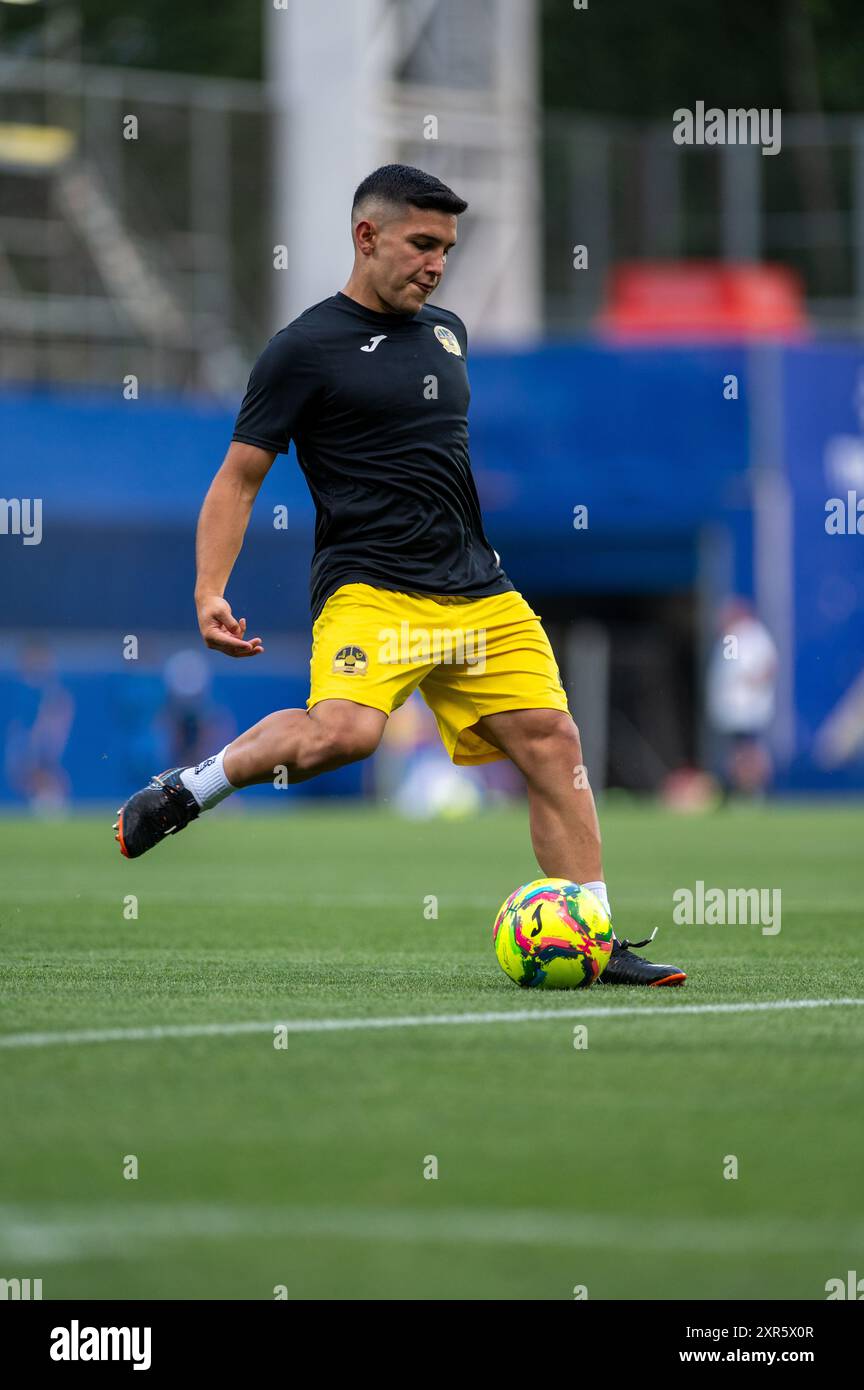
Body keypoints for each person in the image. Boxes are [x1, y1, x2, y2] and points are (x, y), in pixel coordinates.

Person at [113, 163, 685, 987]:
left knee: (552, 742)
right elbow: (238, 478)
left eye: (446, 248)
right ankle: (194, 787)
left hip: (480, 592)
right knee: (343, 735)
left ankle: (593, 935)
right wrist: (209, 591)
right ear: (366, 236)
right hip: (372, 590)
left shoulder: (447, 332)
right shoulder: (302, 350)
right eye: (422, 243)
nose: (436, 263)